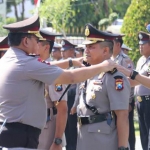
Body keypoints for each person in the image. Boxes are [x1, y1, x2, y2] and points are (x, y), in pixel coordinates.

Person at [0, 15, 115, 149]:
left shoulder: (8, 59)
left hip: (10, 133)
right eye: (36, 40)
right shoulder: (26, 63)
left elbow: (45, 67)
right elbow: (71, 77)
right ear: (26, 41)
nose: (38, 44)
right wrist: (103, 66)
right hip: (21, 137)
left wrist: (70, 62)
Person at [76, 23, 130, 150]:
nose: (86, 50)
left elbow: (122, 115)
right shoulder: (89, 74)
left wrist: (122, 147)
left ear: (105, 51)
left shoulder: (114, 77)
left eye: (91, 47)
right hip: (84, 138)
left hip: (104, 142)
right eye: (86, 46)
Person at [116, 31, 150, 150]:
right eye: (140, 44)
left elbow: (140, 80)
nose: (140, 46)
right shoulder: (141, 60)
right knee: (144, 136)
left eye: (143, 44)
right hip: (140, 102)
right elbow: (135, 81)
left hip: (148, 101)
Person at [37, 28, 67, 150]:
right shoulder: (35, 68)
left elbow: (62, 109)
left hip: (48, 129)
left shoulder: (52, 72)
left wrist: (57, 141)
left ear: (46, 47)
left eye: (36, 43)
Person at [112, 36, 135, 150]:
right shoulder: (109, 59)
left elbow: (131, 82)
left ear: (118, 45)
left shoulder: (125, 59)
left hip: (125, 102)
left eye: (112, 43)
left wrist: (129, 102)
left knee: (128, 131)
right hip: (113, 102)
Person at [61, 39, 77, 150]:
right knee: (65, 129)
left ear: (71, 51)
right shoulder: (62, 64)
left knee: (72, 130)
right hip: (63, 99)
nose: (62, 52)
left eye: (65, 50)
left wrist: (75, 104)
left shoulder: (77, 66)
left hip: (72, 99)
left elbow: (79, 88)